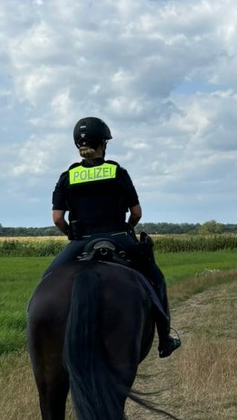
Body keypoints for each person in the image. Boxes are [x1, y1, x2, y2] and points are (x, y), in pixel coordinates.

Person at [44, 116, 181, 358]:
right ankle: (165, 340)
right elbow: (137, 213)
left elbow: (57, 219)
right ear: (103, 144)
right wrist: (128, 228)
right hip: (120, 237)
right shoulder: (117, 172)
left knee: (47, 283)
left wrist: (71, 234)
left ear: (78, 145)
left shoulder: (67, 177)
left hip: (80, 242)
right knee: (156, 279)